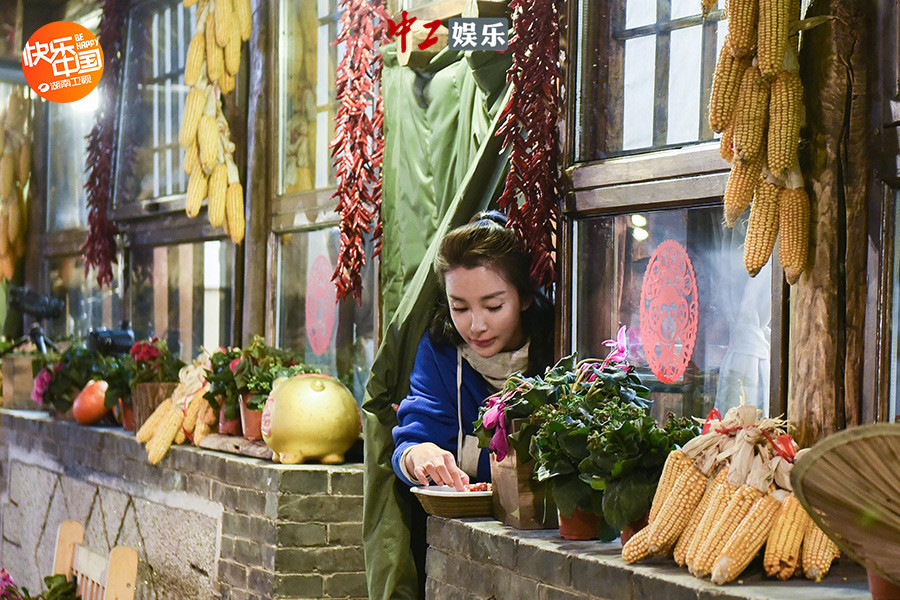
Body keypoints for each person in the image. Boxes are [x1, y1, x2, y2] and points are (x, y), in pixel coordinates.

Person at [391, 210, 554, 490]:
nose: (477, 326)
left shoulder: (559, 344)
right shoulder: (439, 352)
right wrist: (416, 454)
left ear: (525, 297)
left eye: (493, 306)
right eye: (460, 308)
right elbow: (414, 438)